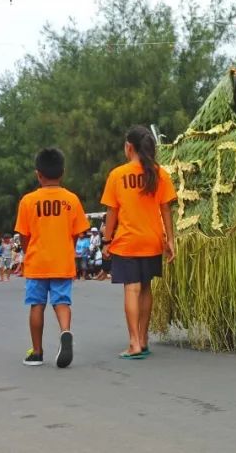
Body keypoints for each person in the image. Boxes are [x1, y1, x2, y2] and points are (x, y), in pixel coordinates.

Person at [100, 126, 177, 360]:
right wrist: (170, 240)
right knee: (146, 288)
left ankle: (133, 342)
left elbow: (112, 212)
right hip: (152, 239)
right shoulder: (159, 173)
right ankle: (143, 339)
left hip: (127, 240)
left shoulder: (117, 175)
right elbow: (166, 210)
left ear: (129, 147)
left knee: (131, 289)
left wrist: (106, 240)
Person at [14, 147, 89, 367]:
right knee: (62, 301)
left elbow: (23, 235)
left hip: (37, 262)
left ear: (38, 173)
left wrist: (30, 253)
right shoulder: (71, 200)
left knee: (36, 305)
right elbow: (77, 234)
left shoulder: (28, 201)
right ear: (62, 172)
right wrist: (67, 250)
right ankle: (65, 332)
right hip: (61, 261)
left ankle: (37, 352)